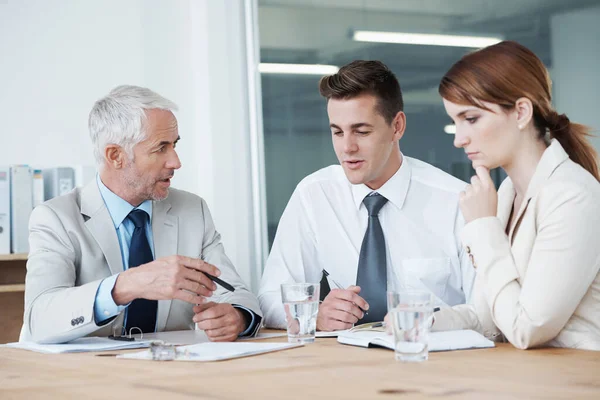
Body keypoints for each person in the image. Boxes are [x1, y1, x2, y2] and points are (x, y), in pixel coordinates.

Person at [22, 85, 262, 344]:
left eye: (175, 145)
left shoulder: (193, 210)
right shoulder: (56, 218)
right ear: (116, 156)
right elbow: (40, 319)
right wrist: (126, 286)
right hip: (85, 375)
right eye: (161, 148)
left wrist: (238, 317)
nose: (176, 162)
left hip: (169, 370)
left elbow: (234, 291)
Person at [258, 60, 475, 331]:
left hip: (434, 359)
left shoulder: (456, 200)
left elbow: (485, 312)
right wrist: (312, 315)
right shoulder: (315, 194)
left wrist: (427, 322)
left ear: (397, 126)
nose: (347, 147)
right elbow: (269, 298)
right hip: (346, 363)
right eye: (337, 132)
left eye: (362, 131)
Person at [430, 40, 600, 350]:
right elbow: (492, 316)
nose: (459, 139)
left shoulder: (572, 196)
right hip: (529, 379)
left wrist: (482, 228)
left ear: (521, 112)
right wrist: (423, 321)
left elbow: (526, 329)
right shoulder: (507, 193)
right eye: (454, 122)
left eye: (470, 119)